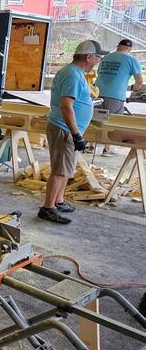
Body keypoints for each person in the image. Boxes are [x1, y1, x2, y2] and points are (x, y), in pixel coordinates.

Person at [40, 40, 107, 224]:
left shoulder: (75, 73)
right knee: (60, 171)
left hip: (66, 128)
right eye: (98, 58)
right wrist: (76, 134)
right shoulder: (73, 75)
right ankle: (48, 208)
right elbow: (66, 106)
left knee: (65, 169)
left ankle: (59, 201)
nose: (98, 61)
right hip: (64, 128)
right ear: (88, 57)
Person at [95, 39, 144, 156]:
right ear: (130, 49)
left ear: (118, 46)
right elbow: (139, 81)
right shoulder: (132, 60)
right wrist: (134, 89)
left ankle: (90, 146)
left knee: (96, 120)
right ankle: (107, 149)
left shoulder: (105, 58)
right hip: (115, 95)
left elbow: (99, 74)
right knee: (112, 121)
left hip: (97, 92)